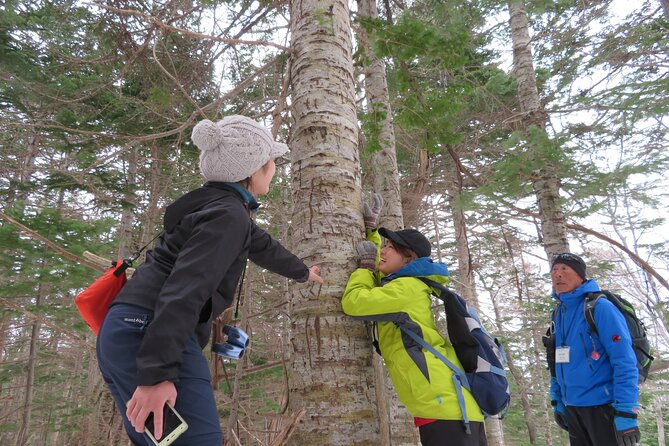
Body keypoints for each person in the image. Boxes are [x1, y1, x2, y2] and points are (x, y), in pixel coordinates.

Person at [96, 115, 323, 445]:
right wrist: (156, 374)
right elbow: (185, 290)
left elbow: (262, 246)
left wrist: (303, 273)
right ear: (252, 168)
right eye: (271, 160)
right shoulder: (227, 216)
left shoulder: (217, 208)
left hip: (130, 331)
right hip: (149, 333)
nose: (274, 167)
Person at [341, 195, 487, 446]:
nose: (383, 251)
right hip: (447, 406)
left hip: (446, 408)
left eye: (390, 247)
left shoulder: (407, 289)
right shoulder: (404, 286)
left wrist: (364, 267)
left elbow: (355, 303)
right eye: (383, 245)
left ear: (408, 257)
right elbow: (379, 279)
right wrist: (371, 231)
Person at [547, 253, 640, 446]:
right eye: (555, 270)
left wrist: (626, 410)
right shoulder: (558, 314)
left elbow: (624, 360)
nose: (558, 275)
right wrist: (557, 398)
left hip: (604, 408)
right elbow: (556, 360)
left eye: (565, 269)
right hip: (573, 409)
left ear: (580, 275)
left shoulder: (600, 308)